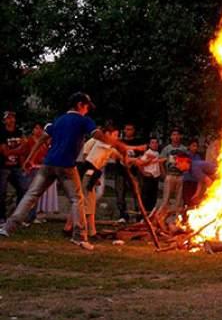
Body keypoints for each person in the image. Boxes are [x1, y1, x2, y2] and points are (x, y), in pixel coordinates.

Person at [0, 92, 127, 250]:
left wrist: (29, 159)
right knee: (77, 199)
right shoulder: (83, 120)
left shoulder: (58, 120)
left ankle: (7, 228)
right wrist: (118, 144)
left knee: (31, 195)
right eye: (86, 106)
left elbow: (42, 139)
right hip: (66, 165)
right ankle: (79, 236)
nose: (87, 110)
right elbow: (98, 135)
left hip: (48, 164)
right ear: (80, 105)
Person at [75, 124, 124, 239]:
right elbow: (87, 156)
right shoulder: (100, 143)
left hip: (92, 174)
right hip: (87, 174)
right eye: (115, 135)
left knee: (89, 203)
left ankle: (89, 231)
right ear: (107, 134)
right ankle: (83, 231)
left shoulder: (107, 146)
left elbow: (118, 155)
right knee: (86, 203)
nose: (117, 137)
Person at [153, 128, 189, 224]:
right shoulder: (167, 149)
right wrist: (164, 174)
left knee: (178, 199)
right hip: (170, 175)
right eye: (174, 135)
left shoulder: (183, 149)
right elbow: (161, 161)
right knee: (166, 199)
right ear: (171, 136)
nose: (176, 137)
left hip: (180, 176)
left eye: (178, 134)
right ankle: (160, 219)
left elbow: (187, 163)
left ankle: (176, 221)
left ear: (180, 136)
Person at [112, 123, 146, 221]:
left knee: (137, 193)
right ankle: (123, 215)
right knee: (120, 193)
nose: (128, 131)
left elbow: (141, 156)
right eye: (126, 129)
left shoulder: (137, 142)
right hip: (121, 171)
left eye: (130, 129)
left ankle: (139, 215)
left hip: (134, 171)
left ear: (134, 130)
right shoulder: (119, 142)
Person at [0, 110, 29, 224]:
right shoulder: (1, 133)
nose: (11, 120)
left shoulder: (18, 132)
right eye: (8, 118)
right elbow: (5, 152)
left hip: (16, 166)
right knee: (1, 192)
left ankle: (17, 216)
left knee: (23, 188)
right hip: (3, 166)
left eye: (12, 117)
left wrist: (22, 162)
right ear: (4, 120)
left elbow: (25, 149)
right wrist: (19, 149)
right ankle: (1, 217)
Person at [30, 124, 58, 220]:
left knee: (46, 192)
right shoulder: (32, 141)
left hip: (47, 167)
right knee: (37, 191)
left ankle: (42, 211)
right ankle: (34, 213)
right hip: (36, 168)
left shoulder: (47, 143)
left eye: (39, 128)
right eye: (35, 128)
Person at [134, 136, 163, 214]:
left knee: (153, 198)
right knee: (145, 197)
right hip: (148, 178)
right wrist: (144, 173)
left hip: (155, 178)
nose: (155, 144)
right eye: (152, 143)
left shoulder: (157, 153)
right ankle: (142, 216)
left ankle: (149, 215)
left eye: (156, 142)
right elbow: (139, 163)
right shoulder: (147, 153)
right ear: (149, 144)